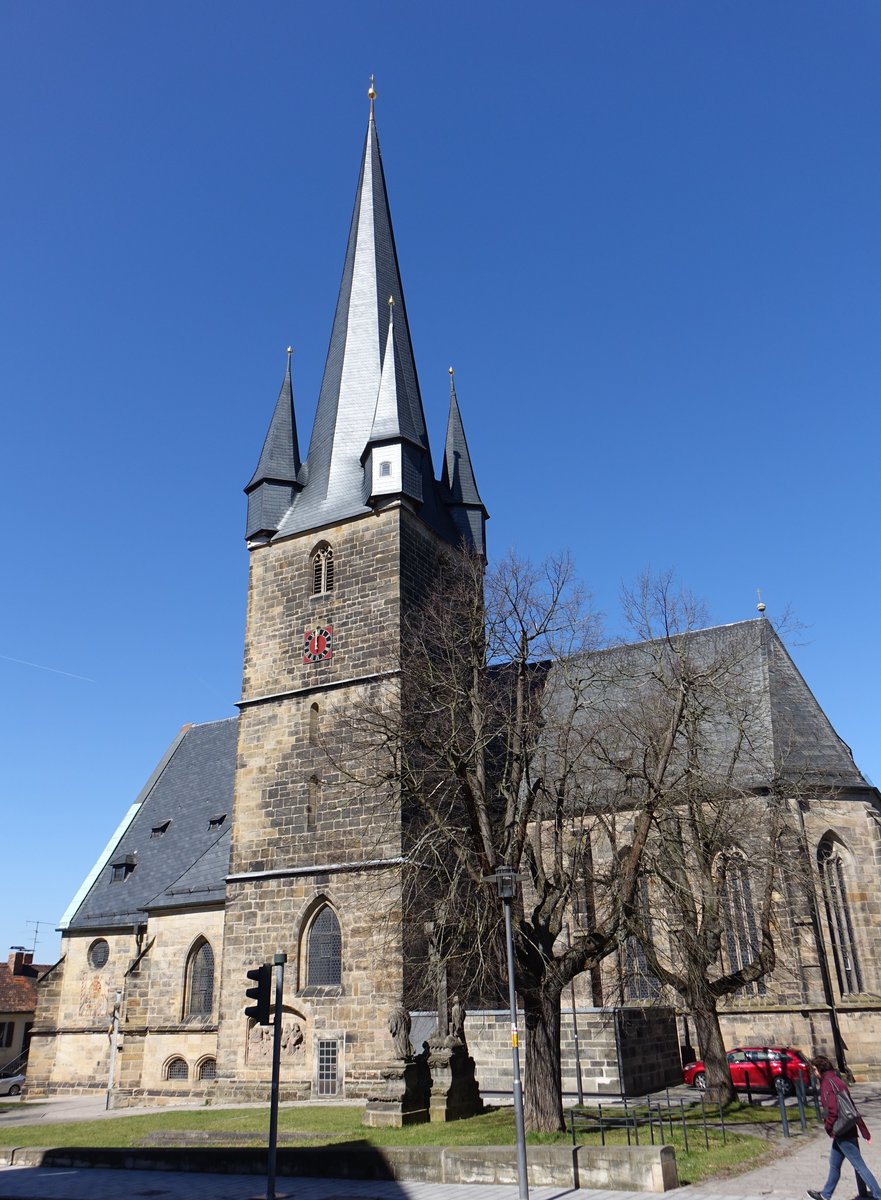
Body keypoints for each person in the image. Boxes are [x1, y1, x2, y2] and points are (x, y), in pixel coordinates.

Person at [808, 1055, 881, 1200]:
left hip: (841, 1130)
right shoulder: (837, 1081)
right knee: (835, 1165)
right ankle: (826, 1194)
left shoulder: (827, 1084)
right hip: (847, 1128)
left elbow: (833, 1110)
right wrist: (864, 1131)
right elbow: (851, 1107)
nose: (813, 1073)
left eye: (814, 1069)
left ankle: (878, 1195)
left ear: (820, 1069)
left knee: (859, 1165)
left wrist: (829, 1127)